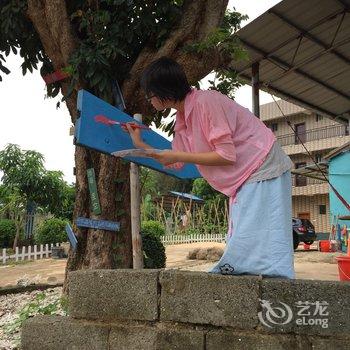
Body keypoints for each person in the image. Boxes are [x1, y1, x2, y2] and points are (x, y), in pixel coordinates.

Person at [123, 57, 295, 279]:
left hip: (262, 164)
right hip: (246, 175)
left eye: (149, 94)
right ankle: (251, 282)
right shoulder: (183, 119)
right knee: (248, 235)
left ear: (162, 92)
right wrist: (140, 145)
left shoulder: (206, 103)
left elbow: (225, 155)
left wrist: (176, 153)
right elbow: (175, 162)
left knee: (259, 235)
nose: (149, 100)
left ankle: (272, 286)